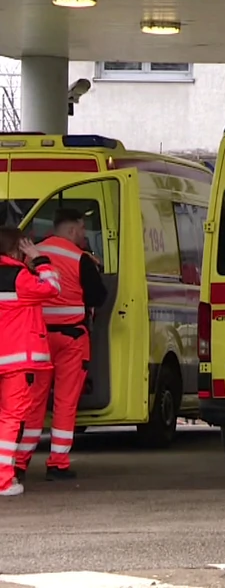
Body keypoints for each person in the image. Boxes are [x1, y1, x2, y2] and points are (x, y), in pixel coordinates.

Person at [15, 208, 107, 481]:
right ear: (71, 229)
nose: (84, 234)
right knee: (65, 402)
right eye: (82, 228)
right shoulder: (81, 259)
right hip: (71, 340)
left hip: (38, 339)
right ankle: (57, 464)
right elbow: (98, 297)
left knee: (33, 402)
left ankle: (20, 463)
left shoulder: (32, 254)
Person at [0, 227, 61, 497]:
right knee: (11, 418)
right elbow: (53, 288)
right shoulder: (20, 278)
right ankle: (3, 480)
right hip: (16, 361)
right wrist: (39, 258)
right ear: (17, 250)